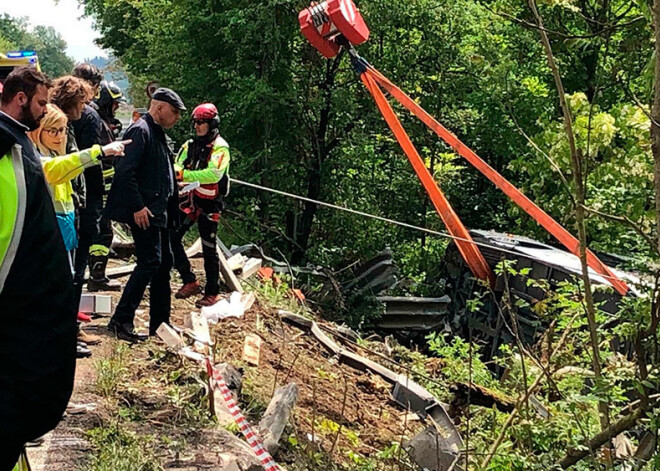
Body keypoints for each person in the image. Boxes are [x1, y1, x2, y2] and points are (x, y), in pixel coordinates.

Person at [0, 66, 74, 469]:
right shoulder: (12, 154)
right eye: (42, 103)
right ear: (21, 97)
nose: (47, 113)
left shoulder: (19, 148)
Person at [27, 103, 131, 356]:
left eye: (63, 130)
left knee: (65, 286)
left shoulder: (52, 154)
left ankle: (63, 337)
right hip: (49, 232)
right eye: (53, 130)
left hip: (65, 228)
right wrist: (98, 152)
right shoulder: (34, 157)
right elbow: (57, 170)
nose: (60, 136)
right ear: (38, 130)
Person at [104, 88, 185, 341]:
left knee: (163, 265)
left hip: (159, 211)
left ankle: (160, 325)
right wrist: (138, 206)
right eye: (174, 112)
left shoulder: (156, 133)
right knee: (150, 262)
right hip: (145, 212)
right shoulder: (141, 130)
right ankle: (121, 319)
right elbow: (125, 171)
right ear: (159, 107)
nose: (177, 118)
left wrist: (172, 187)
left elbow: (157, 171)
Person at [171, 103, 230, 307]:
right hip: (190, 201)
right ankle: (190, 280)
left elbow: (213, 173)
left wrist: (184, 175)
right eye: (195, 122)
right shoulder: (190, 144)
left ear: (212, 123)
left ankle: (212, 292)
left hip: (210, 204)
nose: (197, 126)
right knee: (173, 237)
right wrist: (180, 173)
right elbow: (176, 165)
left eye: (201, 122)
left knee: (208, 248)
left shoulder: (220, 147)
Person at [72, 66, 123, 293]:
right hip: (93, 192)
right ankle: (96, 277)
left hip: (75, 191)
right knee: (100, 234)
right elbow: (95, 160)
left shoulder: (70, 112)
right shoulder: (91, 117)